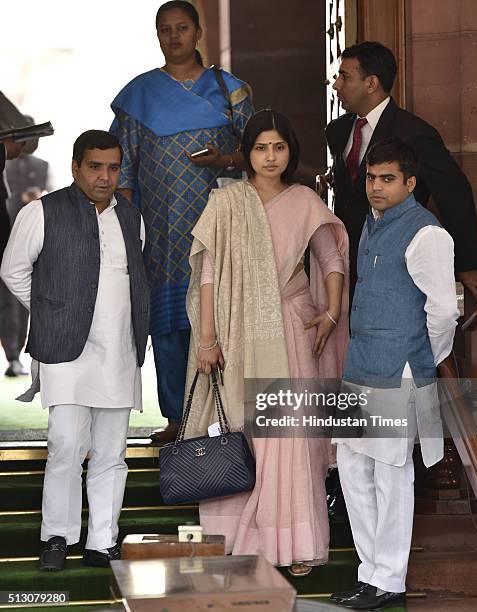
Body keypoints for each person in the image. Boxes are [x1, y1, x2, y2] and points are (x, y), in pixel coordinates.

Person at [183, 109, 349, 575]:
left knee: (289, 440)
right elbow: (209, 274)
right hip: (236, 332)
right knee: (242, 432)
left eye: (279, 147)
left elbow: (331, 256)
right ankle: (241, 541)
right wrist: (208, 339)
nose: (270, 156)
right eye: (261, 147)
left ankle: (293, 543)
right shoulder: (227, 201)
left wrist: (330, 313)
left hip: (293, 331)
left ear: (290, 151)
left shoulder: (303, 200)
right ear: (247, 153)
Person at [0, 130, 149, 571]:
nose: (105, 177)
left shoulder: (131, 217)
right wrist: (52, 311)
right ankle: (57, 537)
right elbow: (13, 270)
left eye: (113, 167)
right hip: (65, 349)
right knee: (66, 444)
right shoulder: (40, 212)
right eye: (95, 167)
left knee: (111, 452)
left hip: (119, 350)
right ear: (75, 167)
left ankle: (102, 540)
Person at [110, 0, 254, 444]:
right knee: (169, 323)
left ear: (198, 32)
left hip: (219, 227)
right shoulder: (139, 96)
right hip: (160, 233)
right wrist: (127, 230)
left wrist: (225, 158)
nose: (174, 36)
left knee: (221, 321)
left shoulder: (232, 91)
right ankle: (177, 418)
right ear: (158, 36)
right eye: (165, 29)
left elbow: (260, 154)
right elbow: (124, 167)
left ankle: (226, 420)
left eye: (182, 28)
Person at [329, 138, 459, 610]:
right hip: (360, 364)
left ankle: (389, 579)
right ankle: (370, 573)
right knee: (352, 468)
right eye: (371, 178)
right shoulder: (369, 223)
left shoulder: (428, 234)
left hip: (400, 368)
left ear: (410, 182)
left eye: (387, 179)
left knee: (390, 473)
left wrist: (425, 356)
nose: (377, 187)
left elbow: (443, 311)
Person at [325, 41, 477, 305]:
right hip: (346, 263)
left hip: (396, 261)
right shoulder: (338, 131)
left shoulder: (416, 133)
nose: (336, 85)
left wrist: (468, 264)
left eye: (345, 76)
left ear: (371, 83)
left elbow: (454, 193)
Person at [2, 116, 55, 377]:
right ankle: (14, 356)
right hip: (9, 235)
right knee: (11, 301)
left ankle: (16, 355)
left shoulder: (42, 166)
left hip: (29, 239)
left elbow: (50, 196)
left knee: (19, 301)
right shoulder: (6, 163)